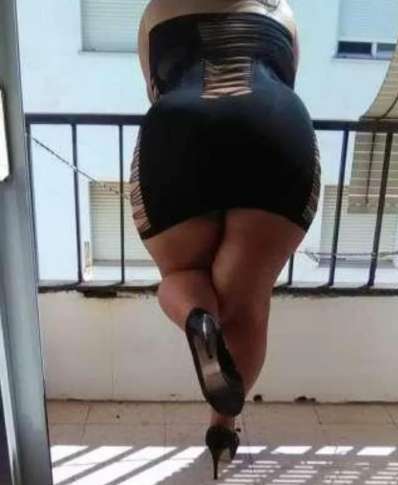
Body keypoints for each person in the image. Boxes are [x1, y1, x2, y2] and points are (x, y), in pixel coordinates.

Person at [130, 0, 321, 479]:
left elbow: (154, 87)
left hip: (179, 127)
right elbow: (287, 78)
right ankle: (223, 427)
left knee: (183, 274)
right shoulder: (280, 10)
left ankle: (197, 318)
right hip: (272, 124)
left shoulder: (158, 8)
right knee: (247, 302)